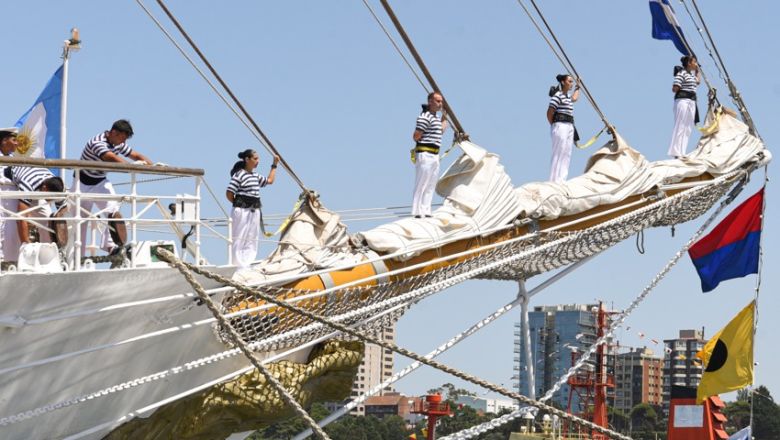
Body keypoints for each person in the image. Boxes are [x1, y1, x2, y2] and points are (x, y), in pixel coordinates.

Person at [74, 119, 151, 254]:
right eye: (122, 139)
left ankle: (109, 246)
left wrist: (152, 165)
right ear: (114, 133)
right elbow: (111, 158)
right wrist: (131, 166)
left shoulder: (118, 143)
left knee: (114, 211)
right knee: (80, 222)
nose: (123, 143)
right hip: (81, 184)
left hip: (99, 182)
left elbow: (135, 155)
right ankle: (76, 258)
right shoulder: (97, 142)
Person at [226, 149, 279, 268]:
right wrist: (239, 204)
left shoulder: (255, 176)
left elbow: (269, 181)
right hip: (242, 210)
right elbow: (229, 193)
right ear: (247, 159)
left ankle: (246, 263)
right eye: (255, 159)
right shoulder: (239, 175)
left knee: (252, 238)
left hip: (254, 211)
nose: (257, 161)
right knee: (239, 237)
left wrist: (274, 165)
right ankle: (237, 265)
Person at [6, 166, 65, 246]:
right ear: (45, 189)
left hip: (37, 188)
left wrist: (59, 220)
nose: (52, 201)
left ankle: (48, 252)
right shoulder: (28, 184)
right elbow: (21, 217)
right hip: (11, 182)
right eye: (51, 197)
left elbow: (63, 210)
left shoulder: (56, 186)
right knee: (13, 224)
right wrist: (26, 244)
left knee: (48, 220)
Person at [411, 91, 448, 218]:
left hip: (435, 155)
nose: (440, 104)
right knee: (421, 183)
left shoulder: (436, 119)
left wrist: (445, 119)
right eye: (438, 101)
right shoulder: (425, 117)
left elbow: (440, 131)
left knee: (431, 184)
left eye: (441, 101)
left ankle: (426, 209)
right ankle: (416, 210)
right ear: (430, 102)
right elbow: (416, 136)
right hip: (425, 153)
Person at [547, 74, 580, 183]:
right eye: (570, 81)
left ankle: (562, 179)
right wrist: (554, 125)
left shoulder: (567, 97)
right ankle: (554, 180)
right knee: (558, 151)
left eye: (572, 82)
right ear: (563, 82)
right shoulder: (558, 95)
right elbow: (550, 112)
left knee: (567, 152)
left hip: (569, 125)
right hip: (560, 124)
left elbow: (574, 98)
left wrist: (578, 87)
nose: (571, 84)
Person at [667, 55, 701, 158]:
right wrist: (680, 86)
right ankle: (676, 152)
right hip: (683, 100)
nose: (696, 64)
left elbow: (698, 81)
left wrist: (698, 71)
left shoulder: (691, 75)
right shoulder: (681, 74)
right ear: (689, 63)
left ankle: (682, 151)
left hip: (691, 102)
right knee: (680, 125)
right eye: (694, 62)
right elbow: (675, 88)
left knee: (688, 127)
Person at [0, 127, 19, 261]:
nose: (17, 143)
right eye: (14, 140)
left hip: (13, 197)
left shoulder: (16, 159)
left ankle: (11, 262)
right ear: (4, 141)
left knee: (12, 233)